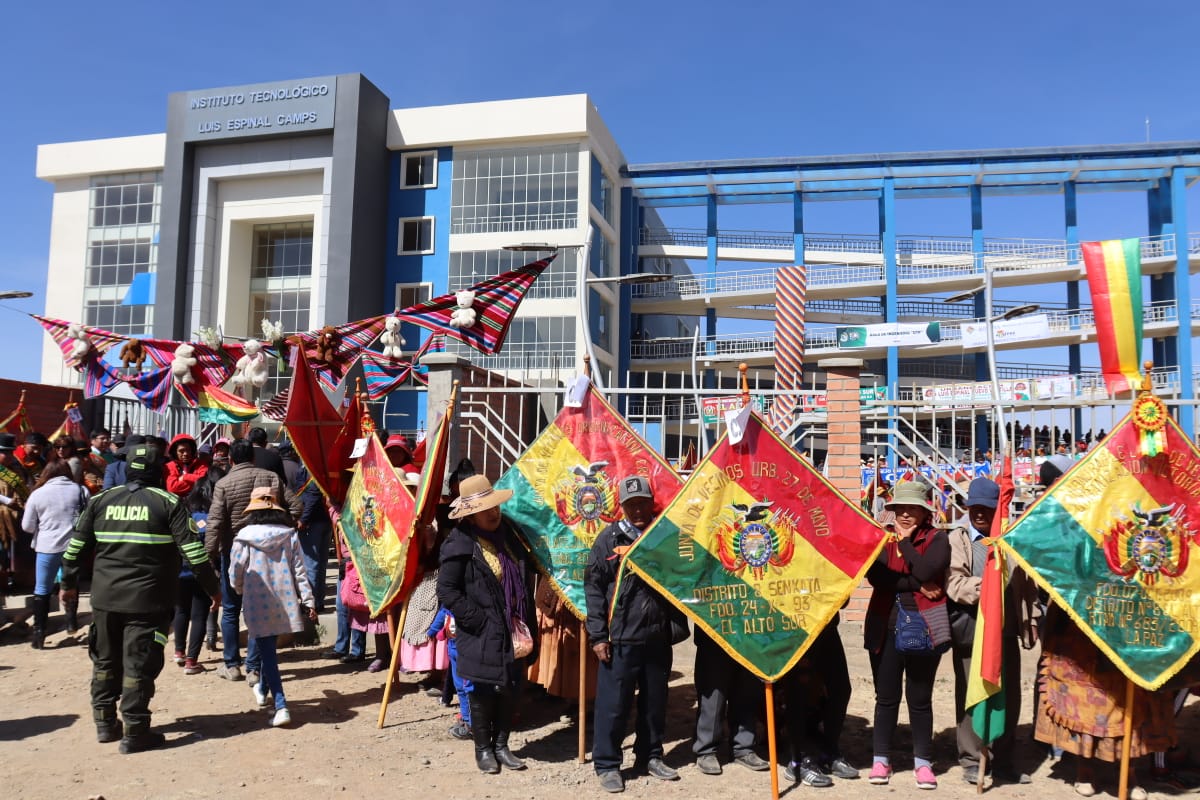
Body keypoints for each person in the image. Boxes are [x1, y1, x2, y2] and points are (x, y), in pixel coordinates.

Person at [59, 442, 220, 753]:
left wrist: (67, 584)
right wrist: (213, 588)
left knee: (104, 660)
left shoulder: (101, 501)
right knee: (139, 663)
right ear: (159, 471)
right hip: (148, 601)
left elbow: (74, 549)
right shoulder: (169, 503)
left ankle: (105, 724)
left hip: (105, 599)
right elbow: (194, 553)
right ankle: (135, 731)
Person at [585, 475, 684, 793]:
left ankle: (650, 756)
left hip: (657, 636)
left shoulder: (664, 535)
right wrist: (598, 636)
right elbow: (594, 589)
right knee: (613, 705)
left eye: (643, 503)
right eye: (632, 505)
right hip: (620, 638)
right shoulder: (608, 539)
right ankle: (607, 764)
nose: (638, 510)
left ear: (652, 503)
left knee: (655, 703)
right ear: (622, 507)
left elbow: (681, 577)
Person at [438, 474, 538, 775]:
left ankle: (502, 745)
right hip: (481, 630)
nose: (494, 513)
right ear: (471, 516)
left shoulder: (509, 536)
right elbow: (447, 591)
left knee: (511, 686)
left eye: (494, 507)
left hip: (513, 627)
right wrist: (477, 619)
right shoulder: (459, 545)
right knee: (482, 689)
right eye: (485, 510)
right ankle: (483, 748)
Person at [946, 478, 1037, 786]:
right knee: (972, 696)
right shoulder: (959, 539)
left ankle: (1004, 760)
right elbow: (954, 582)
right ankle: (972, 759)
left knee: (1007, 697)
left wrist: (1030, 619)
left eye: (986, 509)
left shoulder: (1009, 540)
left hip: (1006, 632)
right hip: (974, 631)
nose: (980, 514)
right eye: (975, 508)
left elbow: (1026, 584)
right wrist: (986, 587)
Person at [864, 480, 950, 790]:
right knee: (886, 697)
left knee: (920, 698)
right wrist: (917, 584)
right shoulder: (881, 539)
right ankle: (881, 758)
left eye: (912, 508)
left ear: (925, 512)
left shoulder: (938, 539)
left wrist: (906, 544)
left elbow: (927, 570)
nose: (904, 514)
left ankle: (923, 762)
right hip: (884, 628)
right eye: (900, 508)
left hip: (924, 628)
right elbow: (878, 578)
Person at [205, 440, 301, 683]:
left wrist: (209, 556)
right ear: (254, 458)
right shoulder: (271, 477)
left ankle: (232, 665)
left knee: (230, 610)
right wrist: (282, 527)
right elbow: (296, 505)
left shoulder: (224, 483)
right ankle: (254, 668)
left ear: (231, 460)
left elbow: (215, 523)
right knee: (259, 611)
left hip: (233, 551)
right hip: (267, 555)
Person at [228, 486, 316, 727]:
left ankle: (281, 705)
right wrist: (308, 600)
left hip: (256, 600)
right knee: (268, 649)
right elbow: (300, 570)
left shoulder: (244, 536)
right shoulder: (289, 535)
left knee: (267, 653)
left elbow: (235, 571)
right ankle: (263, 690)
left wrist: (238, 588)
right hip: (284, 600)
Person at [780, 614, 859, 786]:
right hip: (797, 625)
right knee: (798, 692)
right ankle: (797, 761)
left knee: (841, 689)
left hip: (825, 623)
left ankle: (829, 753)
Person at [21, 460, 90, 646]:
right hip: (74, 546)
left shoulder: (38, 493)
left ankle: (39, 633)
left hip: (47, 546)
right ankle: (71, 622)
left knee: (42, 589)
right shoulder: (81, 490)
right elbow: (88, 518)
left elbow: (27, 526)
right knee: (71, 584)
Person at [692, 626, 769, 776]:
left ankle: (743, 747)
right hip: (715, 628)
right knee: (713, 693)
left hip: (750, 632)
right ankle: (706, 750)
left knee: (747, 690)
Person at [175, 469, 224, 673]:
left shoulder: (183, 515)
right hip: (203, 572)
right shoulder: (211, 518)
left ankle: (178, 652)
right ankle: (191, 661)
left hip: (179, 571)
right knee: (199, 615)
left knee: (181, 611)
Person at [164, 433, 209, 497]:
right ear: (175, 452)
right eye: (181, 451)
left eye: (188, 450)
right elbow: (172, 488)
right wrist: (196, 483)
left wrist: (185, 477)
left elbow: (205, 481)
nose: (185, 454)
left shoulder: (201, 464)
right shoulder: (169, 466)